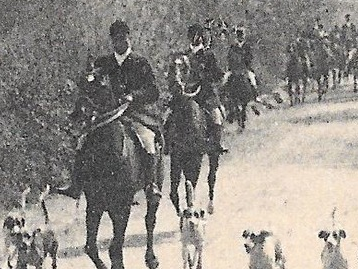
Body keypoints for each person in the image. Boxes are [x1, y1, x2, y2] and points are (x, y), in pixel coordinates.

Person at [51, 19, 163, 201]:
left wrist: (133, 96)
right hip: (106, 115)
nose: (123, 42)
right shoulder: (103, 63)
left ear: (129, 39)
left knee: (148, 141)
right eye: (118, 39)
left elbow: (153, 91)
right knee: (83, 141)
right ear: (113, 41)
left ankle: (150, 184)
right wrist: (89, 77)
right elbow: (89, 86)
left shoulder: (140, 62)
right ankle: (76, 184)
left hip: (134, 114)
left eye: (125, 38)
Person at [184, 22, 231, 154]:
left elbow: (216, 74)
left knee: (216, 115)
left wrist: (211, 78)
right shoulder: (184, 55)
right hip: (186, 94)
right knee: (171, 115)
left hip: (205, 94)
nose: (195, 37)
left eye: (198, 35)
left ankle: (217, 143)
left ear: (201, 37)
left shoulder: (208, 55)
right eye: (193, 35)